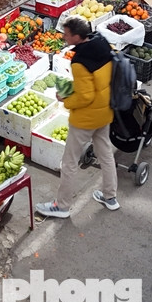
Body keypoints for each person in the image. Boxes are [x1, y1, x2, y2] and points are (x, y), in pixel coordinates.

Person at [35, 16, 118, 218]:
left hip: (86, 119)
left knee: (69, 162)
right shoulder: (101, 42)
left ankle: (61, 206)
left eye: (66, 35)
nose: (63, 37)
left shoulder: (80, 62)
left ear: (77, 37)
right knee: (106, 154)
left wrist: (66, 101)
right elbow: (95, 84)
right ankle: (110, 197)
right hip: (106, 110)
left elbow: (86, 96)